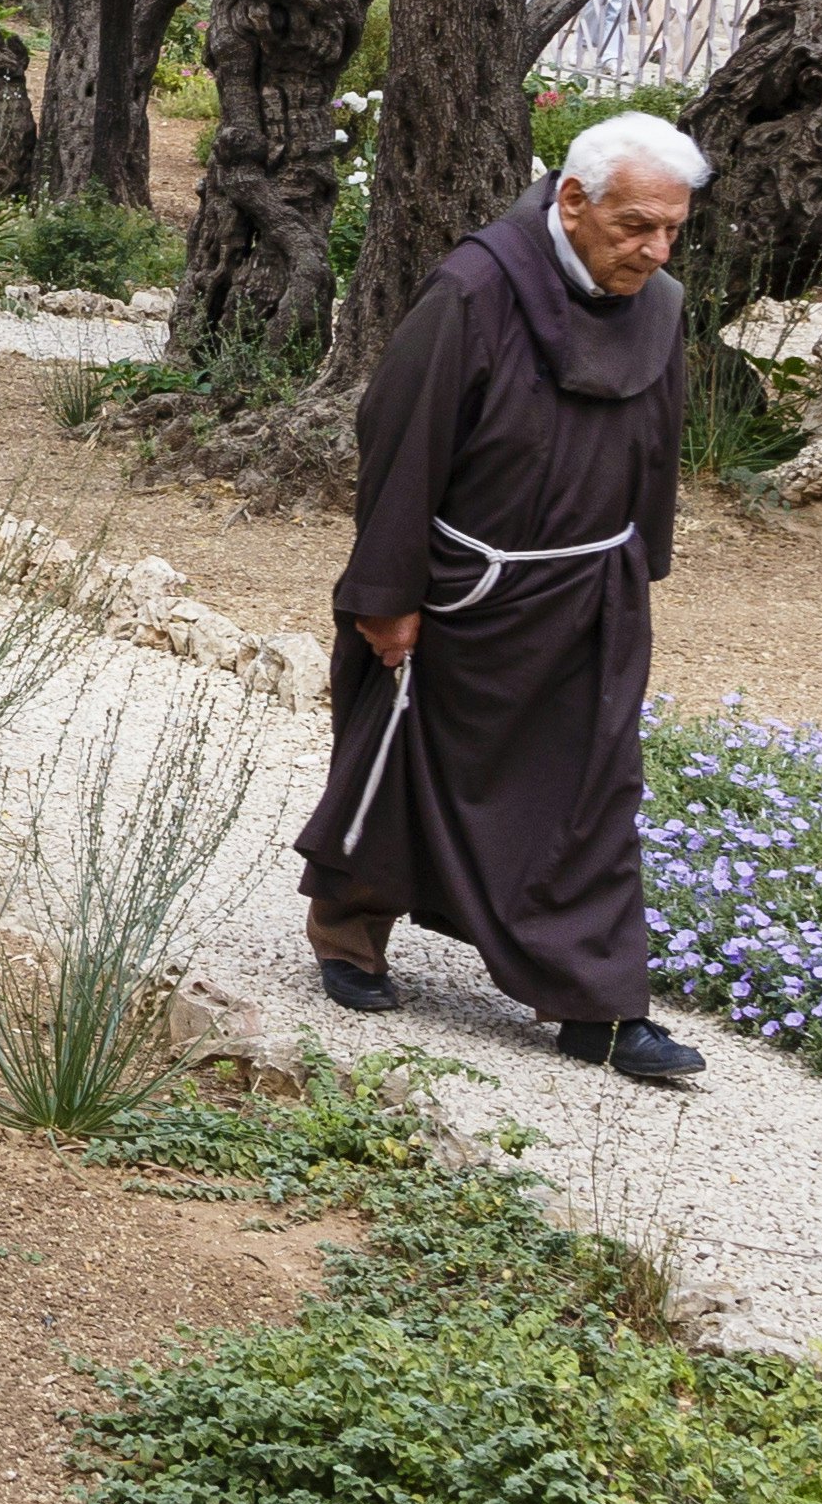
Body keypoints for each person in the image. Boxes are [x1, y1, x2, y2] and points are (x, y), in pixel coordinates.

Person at [298, 111, 711, 1087]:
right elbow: (401, 440)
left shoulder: (659, 305)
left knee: (594, 789)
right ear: (574, 202)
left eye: (671, 232)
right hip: (464, 592)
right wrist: (386, 592)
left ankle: (595, 1004)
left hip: (589, 591)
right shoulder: (475, 291)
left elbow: (656, 444)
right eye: (636, 227)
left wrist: (636, 571)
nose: (655, 251)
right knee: (401, 755)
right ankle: (349, 933)